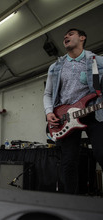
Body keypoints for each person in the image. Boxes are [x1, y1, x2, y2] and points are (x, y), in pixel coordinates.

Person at [43, 28, 103, 194]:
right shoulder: (55, 67)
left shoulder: (96, 61)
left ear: (82, 37)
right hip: (66, 118)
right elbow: (47, 94)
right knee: (68, 162)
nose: (66, 36)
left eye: (71, 34)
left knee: (101, 152)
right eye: (65, 35)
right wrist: (49, 112)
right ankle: (71, 201)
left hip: (94, 114)